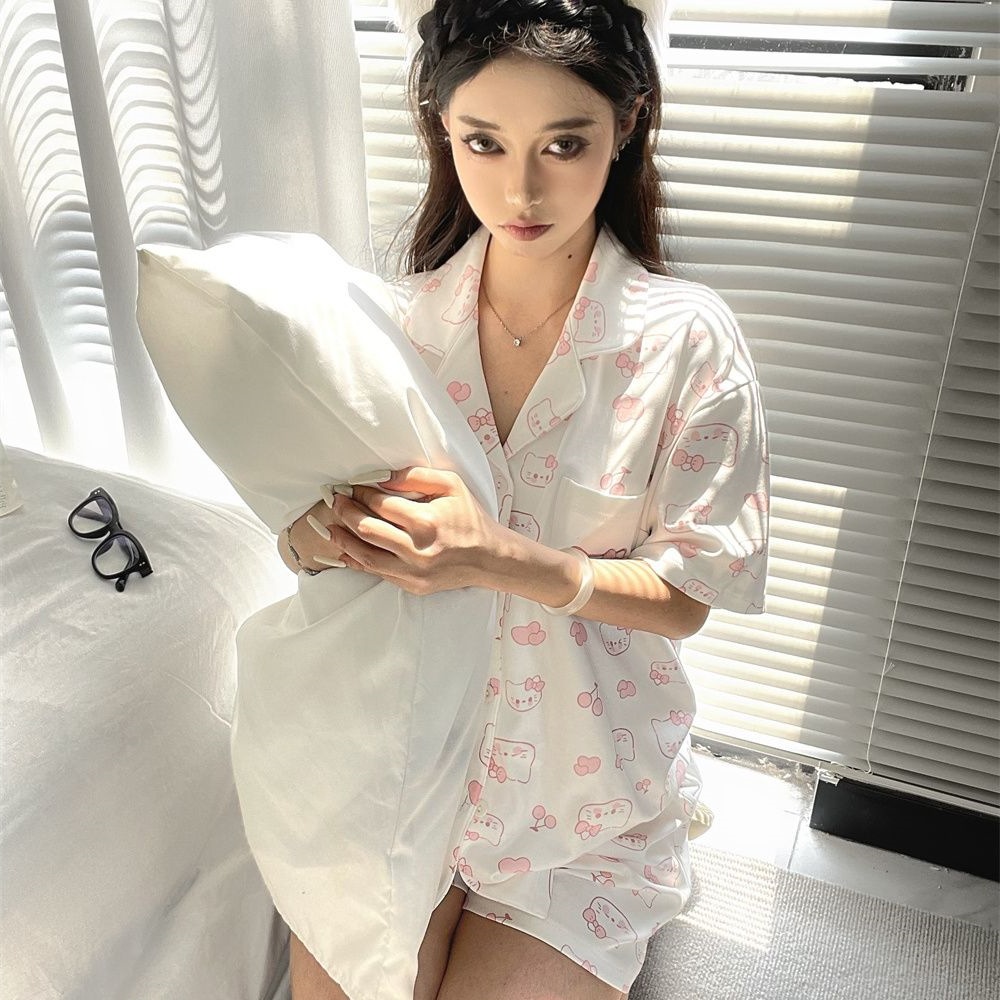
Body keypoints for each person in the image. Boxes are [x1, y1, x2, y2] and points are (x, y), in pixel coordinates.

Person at [281, 1, 769, 998]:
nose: (521, 189)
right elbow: (301, 549)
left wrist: (499, 557)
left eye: (564, 143)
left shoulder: (686, 342)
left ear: (626, 124)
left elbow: (687, 593)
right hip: (405, 765)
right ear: (443, 132)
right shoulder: (392, 329)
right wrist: (321, 532)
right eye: (484, 142)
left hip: (584, 798)